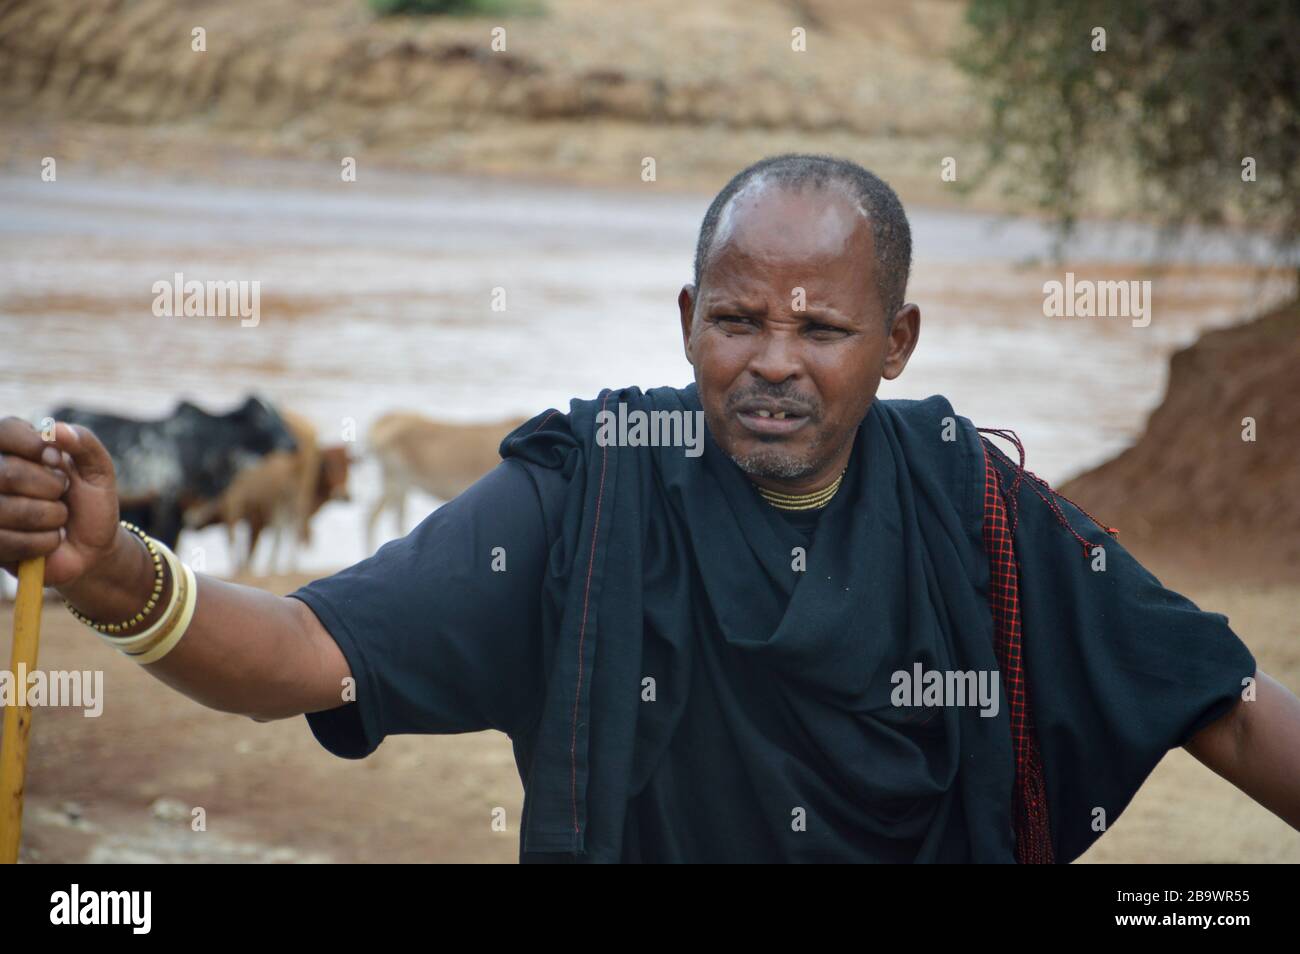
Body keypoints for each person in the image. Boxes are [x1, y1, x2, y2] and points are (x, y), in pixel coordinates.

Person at [4, 154, 1298, 863]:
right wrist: (117, 574)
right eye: (735, 318)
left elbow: (1215, 696)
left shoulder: (973, 499)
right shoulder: (591, 490)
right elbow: (304, 652)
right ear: (688, 322)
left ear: (897, 341)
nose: (773, 358)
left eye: (823, 326)